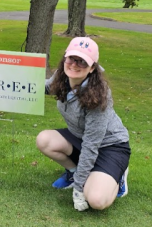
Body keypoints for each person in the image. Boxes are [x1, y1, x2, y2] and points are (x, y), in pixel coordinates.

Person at [36, 37, 130, 211]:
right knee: (44, 139)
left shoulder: (98, 95)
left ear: (92, 67)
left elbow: (91, 144)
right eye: (72, 58)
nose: (74, 64)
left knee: (96, 201)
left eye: (82, 61)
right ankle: (74, 173)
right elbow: (47, 87)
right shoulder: (62, 76)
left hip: (110, 146)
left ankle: (118, 176)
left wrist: (79, 189)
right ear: (65, 58)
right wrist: (12, 83)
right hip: (80, 137)